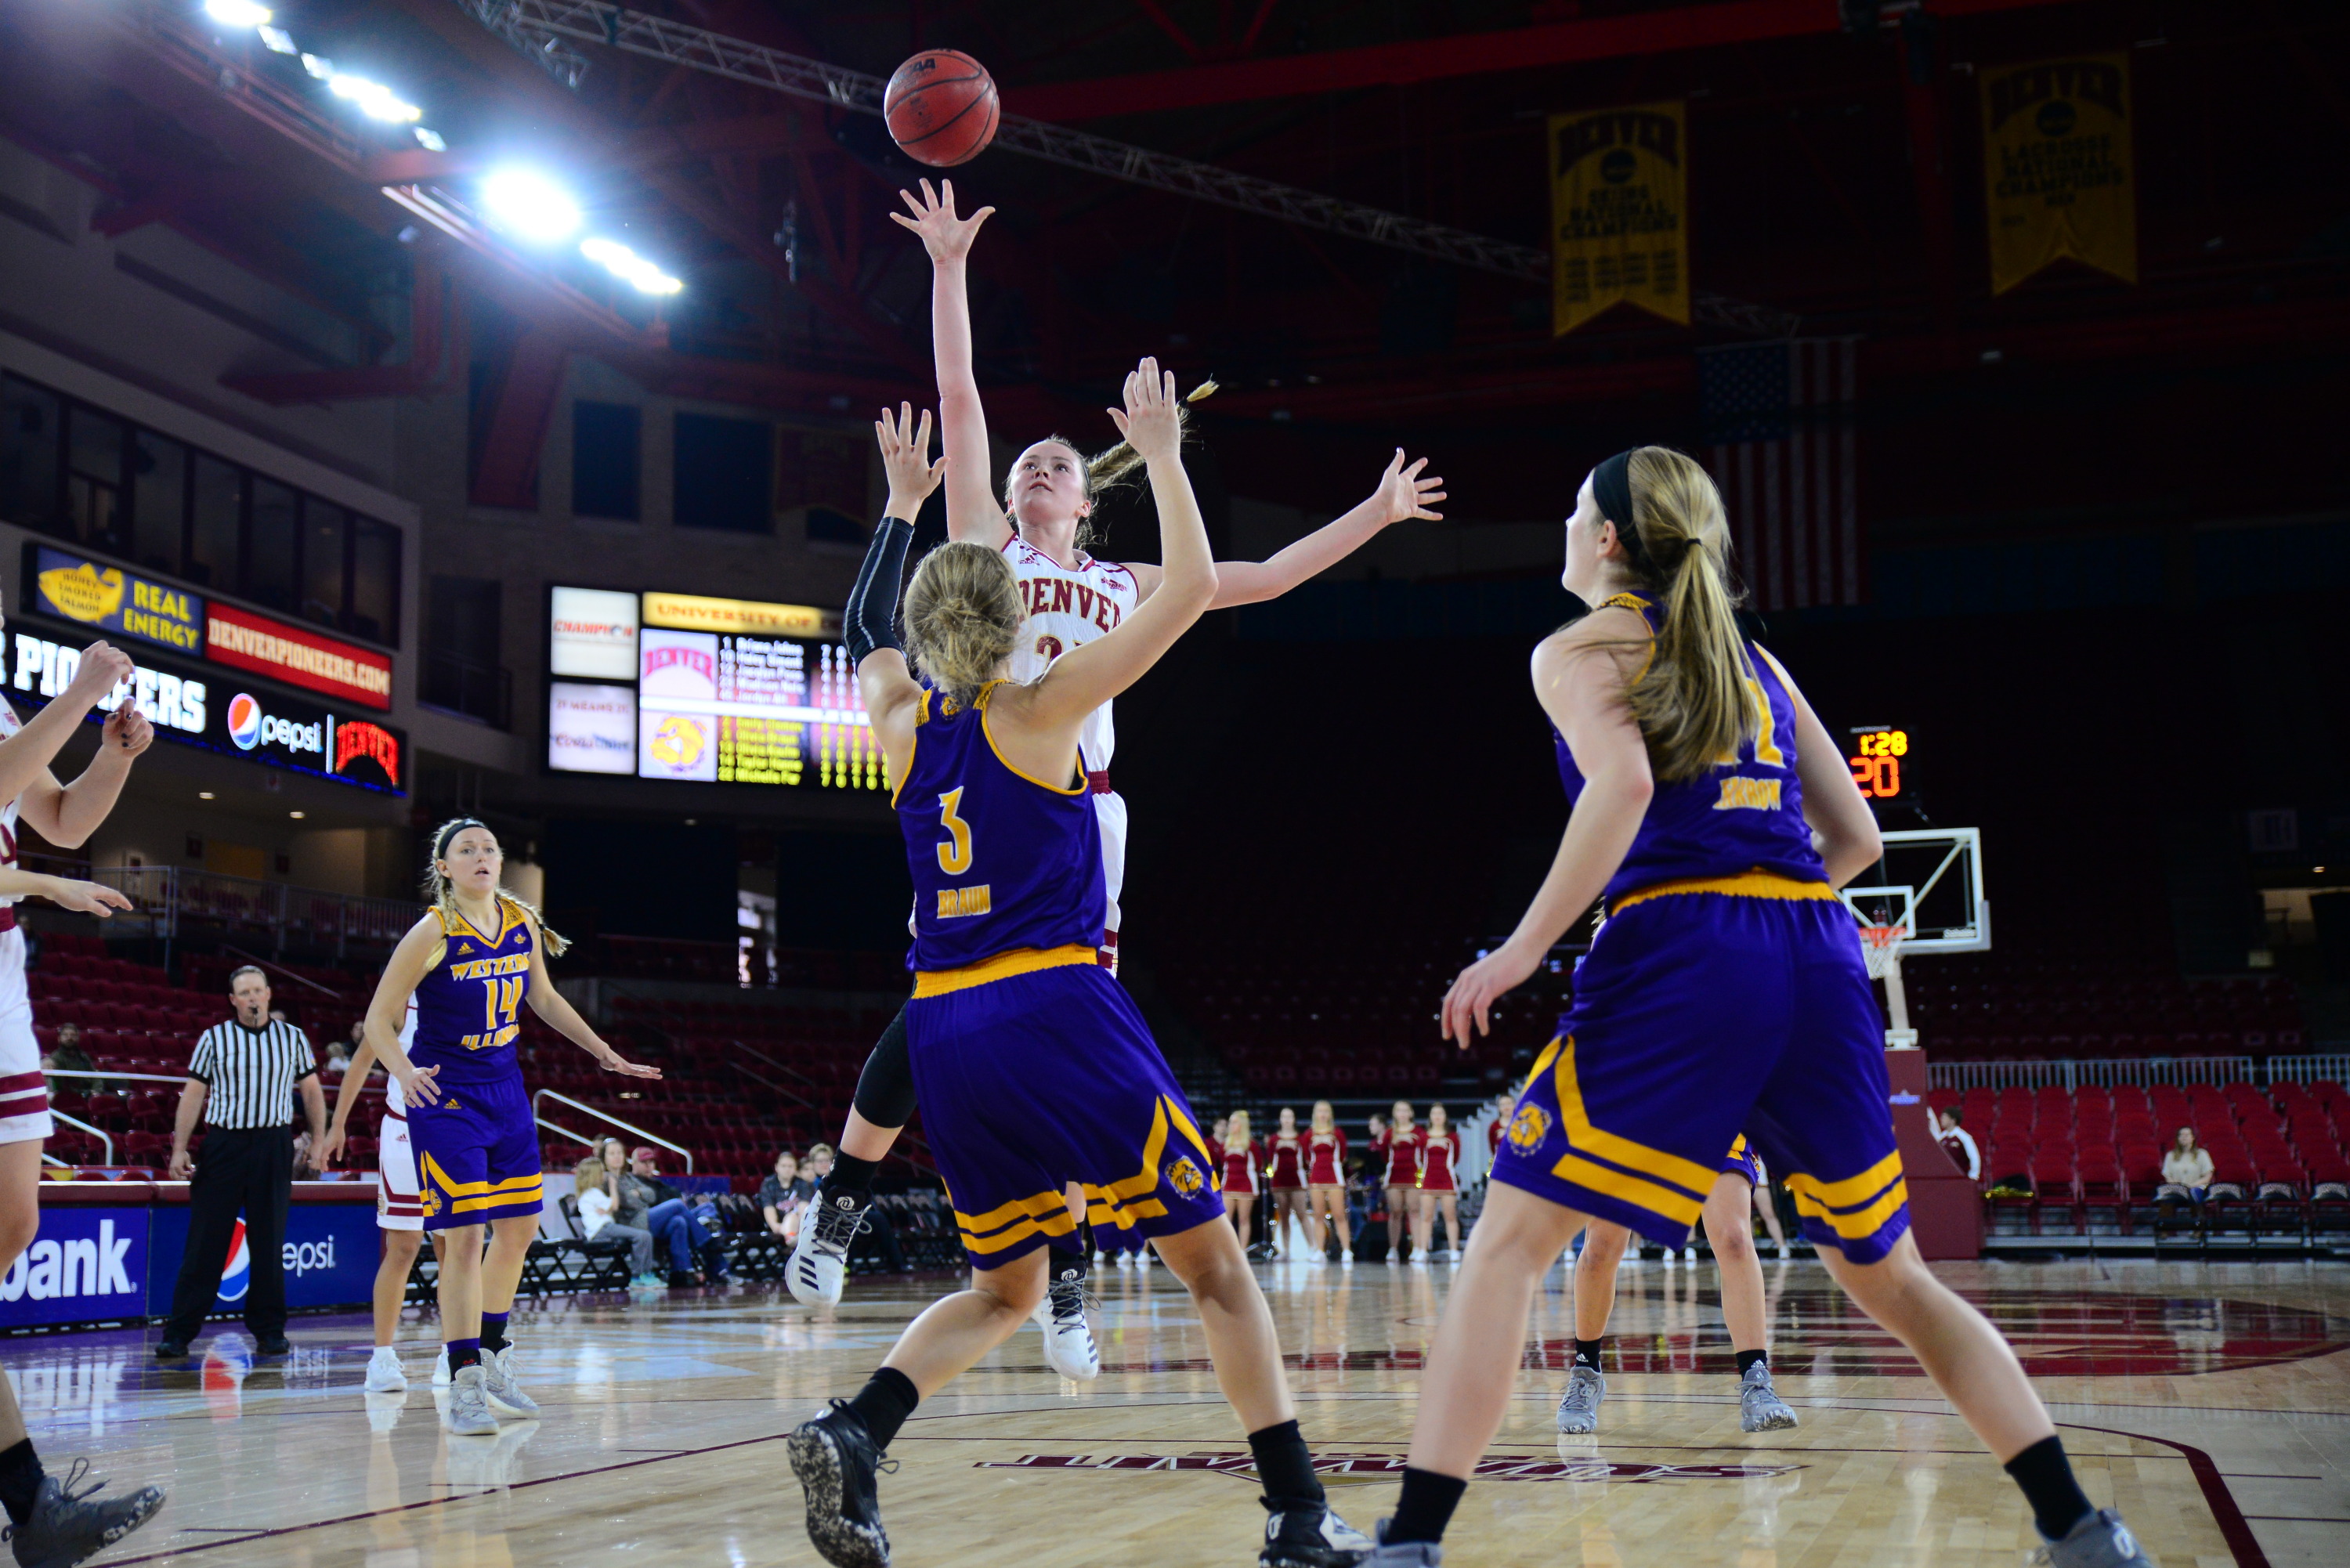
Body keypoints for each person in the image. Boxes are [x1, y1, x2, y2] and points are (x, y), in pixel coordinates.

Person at [1354, 447, 2152, 1568]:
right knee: (1893, 1276)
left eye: (1577, 512)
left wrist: (1523, 948)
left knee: (1506, 1244)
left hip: (1685, 945)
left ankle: (1410, 1541)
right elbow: (1860, 841)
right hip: (1820, 951)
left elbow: (1626, 788)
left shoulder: (1576, 648)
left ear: (1613, 541)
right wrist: (1774, 919)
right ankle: (2081, 1526)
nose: (1566, 528)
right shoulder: (1756, 661)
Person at [789, 175, 1444, 1329]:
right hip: (981, 770)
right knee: (941, 995)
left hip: (1081, 806)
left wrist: (1377, 515)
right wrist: (947, 270)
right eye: (1027, 463)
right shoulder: (981, 541)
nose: (1036, 469)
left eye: (1057, 466)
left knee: (1068, 1014)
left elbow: (1268, 577)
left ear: (1090, 502)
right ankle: (849, 1208)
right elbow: (959, 393)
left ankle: (1073, 1258)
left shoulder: (1125, 581)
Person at [787, 378, 1371, 1568]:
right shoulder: (1049, 706)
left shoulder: (898, 718)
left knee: (1006, 1286)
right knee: (1213, 1266)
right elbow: (1204, 587)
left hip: (941, 1024)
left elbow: (866, 636)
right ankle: (1299, 1515)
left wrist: (901, 511)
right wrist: (1159, 454)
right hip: (1050, 997)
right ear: (1010, 616)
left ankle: (858, 1426)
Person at [360, 819, 659, 1435]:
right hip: (447, 1100)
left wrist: (603, 1050)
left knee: (520, 1230)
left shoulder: (520, 922)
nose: (481, 857)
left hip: (507, 1094)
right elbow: (377, 1022)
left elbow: (543, 999)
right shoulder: (433, 931)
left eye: (489, 849)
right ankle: (464, 1375)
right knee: (465, 1240)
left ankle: (493, 1355)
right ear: (443, 868)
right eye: (466, 850)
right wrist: (405, 1071)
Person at [0, 632, 169, 1562]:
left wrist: (109, 753)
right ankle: (33, 1510)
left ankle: (33, 1510)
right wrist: (75, 696)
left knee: (14, 1226)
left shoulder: (4, 713)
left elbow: (61, 818)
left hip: (2, 985)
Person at [1552, 1137, 1799, 1437]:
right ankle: (1586, 1371)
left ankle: (1756, 1380)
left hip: (1707, 1106)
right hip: (1632, 1108)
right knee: (1600, 1249)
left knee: (1734, 1238)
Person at [155, 966, 326, 1360]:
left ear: (268, 994)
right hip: (224, 1146)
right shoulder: (214, 1039)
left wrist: (318, 1141)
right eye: (243, 992)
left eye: (257, 990)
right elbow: (193, 1095)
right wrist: (180, 1148)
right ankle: (179, 1332)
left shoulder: (293, 1039)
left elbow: (312, 1092)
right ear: (233, 1000)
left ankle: (269, 1331)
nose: (251, 997)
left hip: (273, 1144)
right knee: (206, 1241)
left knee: (268, 1243)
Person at [317, 997, 436, 1393]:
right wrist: (337, 1125)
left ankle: (456, 1353)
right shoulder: (402, 999)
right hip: (404, 1131)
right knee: (403, 1247)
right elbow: (362, 1060)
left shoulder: (474, 989)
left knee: (456, 1248)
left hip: (454, 1133)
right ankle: (382, 1357)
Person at [572, 1157, 656, 1280]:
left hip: (605, 1227)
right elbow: (615, 1205)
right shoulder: (592, 1193)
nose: (604, 1175)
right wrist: (613, 1185)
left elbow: (609, 1207)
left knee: (645, 1235)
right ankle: (638, 1276)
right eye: (601, 1172)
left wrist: (608, 1208)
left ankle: (646, 1273)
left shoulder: (591, 1193)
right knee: (642, 1236)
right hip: (601, 1229)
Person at [1372, 1103, 1423, 1264]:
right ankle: (1393, 1249)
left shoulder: (1418, 1132)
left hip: (1413, 1176)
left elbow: (1422, 1153)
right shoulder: (1389, 1133)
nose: (1402, 1113)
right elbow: (1385, 1155)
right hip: (1394, 1176)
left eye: (1406, 1110)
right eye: (1399, 1110)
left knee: (1414, 1212)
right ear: (1394, 1114)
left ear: (1411, 1113)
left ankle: (1417, 1248)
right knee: (1395, 1213)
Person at [1303, 1101, 1351, 1266]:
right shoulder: (1309, 1134)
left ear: (1330, 1114)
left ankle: (1346, 1250)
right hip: (1316, 1177)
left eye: (1325, 1111)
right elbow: (1307, 1157)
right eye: (1319, 1111)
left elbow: (1343, 1155)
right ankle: (1320, 1251)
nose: (1322, 1114)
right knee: (1318, 1216)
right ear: (1315, 1114)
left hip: (1334, 1177)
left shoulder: (1337, 1133)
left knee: (1339, 1215)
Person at [1413, 1105, 1463, 1263]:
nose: (1437, 1116)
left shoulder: (1453, 1137)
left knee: (1450, 1216)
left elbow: (1456, 1158)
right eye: (1434, 1113)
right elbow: (1421, 1158)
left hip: (1447, 1179)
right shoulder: (1423, 1137)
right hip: (1428, 1180)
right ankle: (1422, 1250)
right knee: (1426, 1217)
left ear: (1445, 1117)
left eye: (1440, 1113)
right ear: (1430, 1117)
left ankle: (1454, 1250)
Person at [1266, 1107, 1309, 1258]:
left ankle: (1312, 1248)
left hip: (1297, 1181)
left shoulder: (1301, 1139)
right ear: (1280, 1119)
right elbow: (1271, 1159)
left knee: (1301, 1214)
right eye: (1284, 1116)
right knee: (1283, 1217)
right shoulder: (1273, 1140)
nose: (1287, 1120)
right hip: (1279, 1181)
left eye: (1290, 1117)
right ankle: (1286, 1251)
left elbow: (1306, 1159)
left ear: (1294, 1119)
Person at [1220, 1108, 1262, 1245]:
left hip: (1245, 1185)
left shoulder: (1251, 1145)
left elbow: (1258, 1164)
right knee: (1226, 1220)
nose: (1231, 1126)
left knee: (1244, 1220)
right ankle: (1229, 1250)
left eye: (1235, 1122)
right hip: (1228, 1184)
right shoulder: (1225, 1144)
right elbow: (1222, 1163)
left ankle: (1242, 1250)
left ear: (1242, 1125)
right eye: (1230, 1123)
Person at [2160, 1126, 2214, 1206]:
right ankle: (2166, 1218)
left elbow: (2207, 1177)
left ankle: (2198, 1217)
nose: (2184, 1137)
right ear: (2178, 1138)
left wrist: (2191, 1186)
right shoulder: (2170, 1155)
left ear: (2193, 1138)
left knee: (2194, 1194)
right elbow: (2168, 1177)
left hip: (2197, 1187)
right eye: (2181, 1135)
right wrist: (2179, 1187)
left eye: (2187, 1135)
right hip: (2177, 1189)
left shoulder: (2202, 1154)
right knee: (2166, 1196)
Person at [760, 1151, 804, 1239]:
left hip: (798, 1225)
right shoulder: (768, 1184)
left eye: (790, 1166)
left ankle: (791, 1239)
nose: (787, 1169)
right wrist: (776, 1227)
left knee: (792, 1216)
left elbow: (804, 1208)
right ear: (776, 1167)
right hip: (779, 1226)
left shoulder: (803, 1184)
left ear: (795, 1168)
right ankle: (790, 1239)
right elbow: (768, 1208)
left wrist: (800, 1228)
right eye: (783, 1166)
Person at [1936, 1107, 1982, 1183]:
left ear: (1953, 1120)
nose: (1941, 1119)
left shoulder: (1964, 1137)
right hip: (1945, 1180)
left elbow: (1974, 1158)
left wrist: (1973, 1177)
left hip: (1960, 1180)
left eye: (1945, 1117)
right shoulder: (1941, 1138)